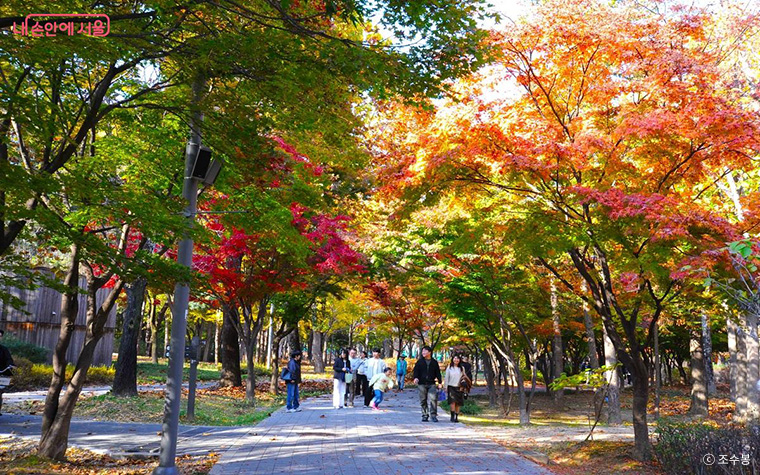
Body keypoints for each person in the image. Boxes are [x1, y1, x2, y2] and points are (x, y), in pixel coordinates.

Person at [412, 345, 442, 422]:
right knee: (423, 400)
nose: (423, 353)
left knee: (433, 399)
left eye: (425, 351)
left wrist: (440, 382)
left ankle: (433, 415)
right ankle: (425, 415)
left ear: (429, 352)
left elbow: (438, 373)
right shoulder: (420, 362)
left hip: (431, 383)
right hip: (421, 383)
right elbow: (416, 371)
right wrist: (415, 378)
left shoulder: (434, 362)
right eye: (422, 351)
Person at [444, 355, 470, 422]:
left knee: (458, 403)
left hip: (459, 387)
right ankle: (452, 416)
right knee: (452, 402)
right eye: (455, 358)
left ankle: (456, 416)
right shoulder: (449, 367)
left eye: (458, 359)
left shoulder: (462, 368)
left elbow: (464, 377)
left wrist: (464, 385)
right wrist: (445, 386)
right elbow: (446, 377)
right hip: (451, 386)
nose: (456, 360)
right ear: (452, 359)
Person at [0, 330, 15, 416]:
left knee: (0, 390)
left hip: (1, 372)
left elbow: (9, 359)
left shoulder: (4, 349)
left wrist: (10, 365)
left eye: (0, 336)